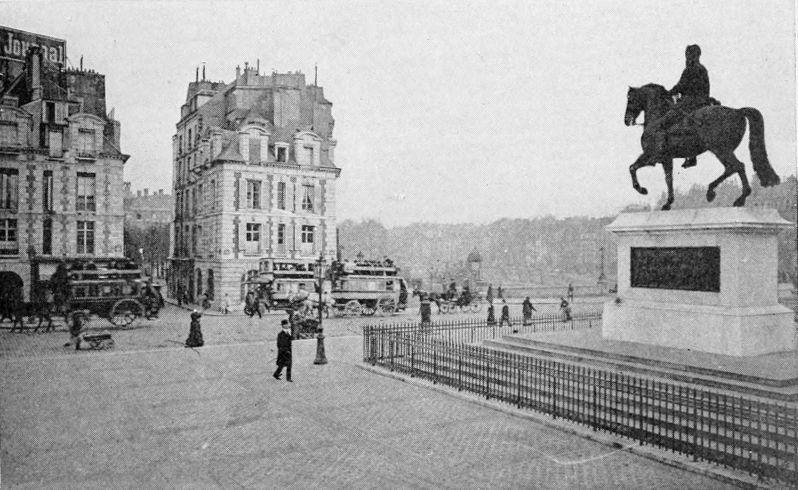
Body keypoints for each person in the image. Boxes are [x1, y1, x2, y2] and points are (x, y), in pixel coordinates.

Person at [646, 44, 711, 167]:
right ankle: (691, 157)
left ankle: (660, 153)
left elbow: (681, 86)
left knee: (664, 121)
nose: (687, 57)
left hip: (690, 102)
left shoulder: (690, 69)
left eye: (688, 54)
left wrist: (668, 94)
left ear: (692, 55)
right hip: (702, 102)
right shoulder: (703, 69)